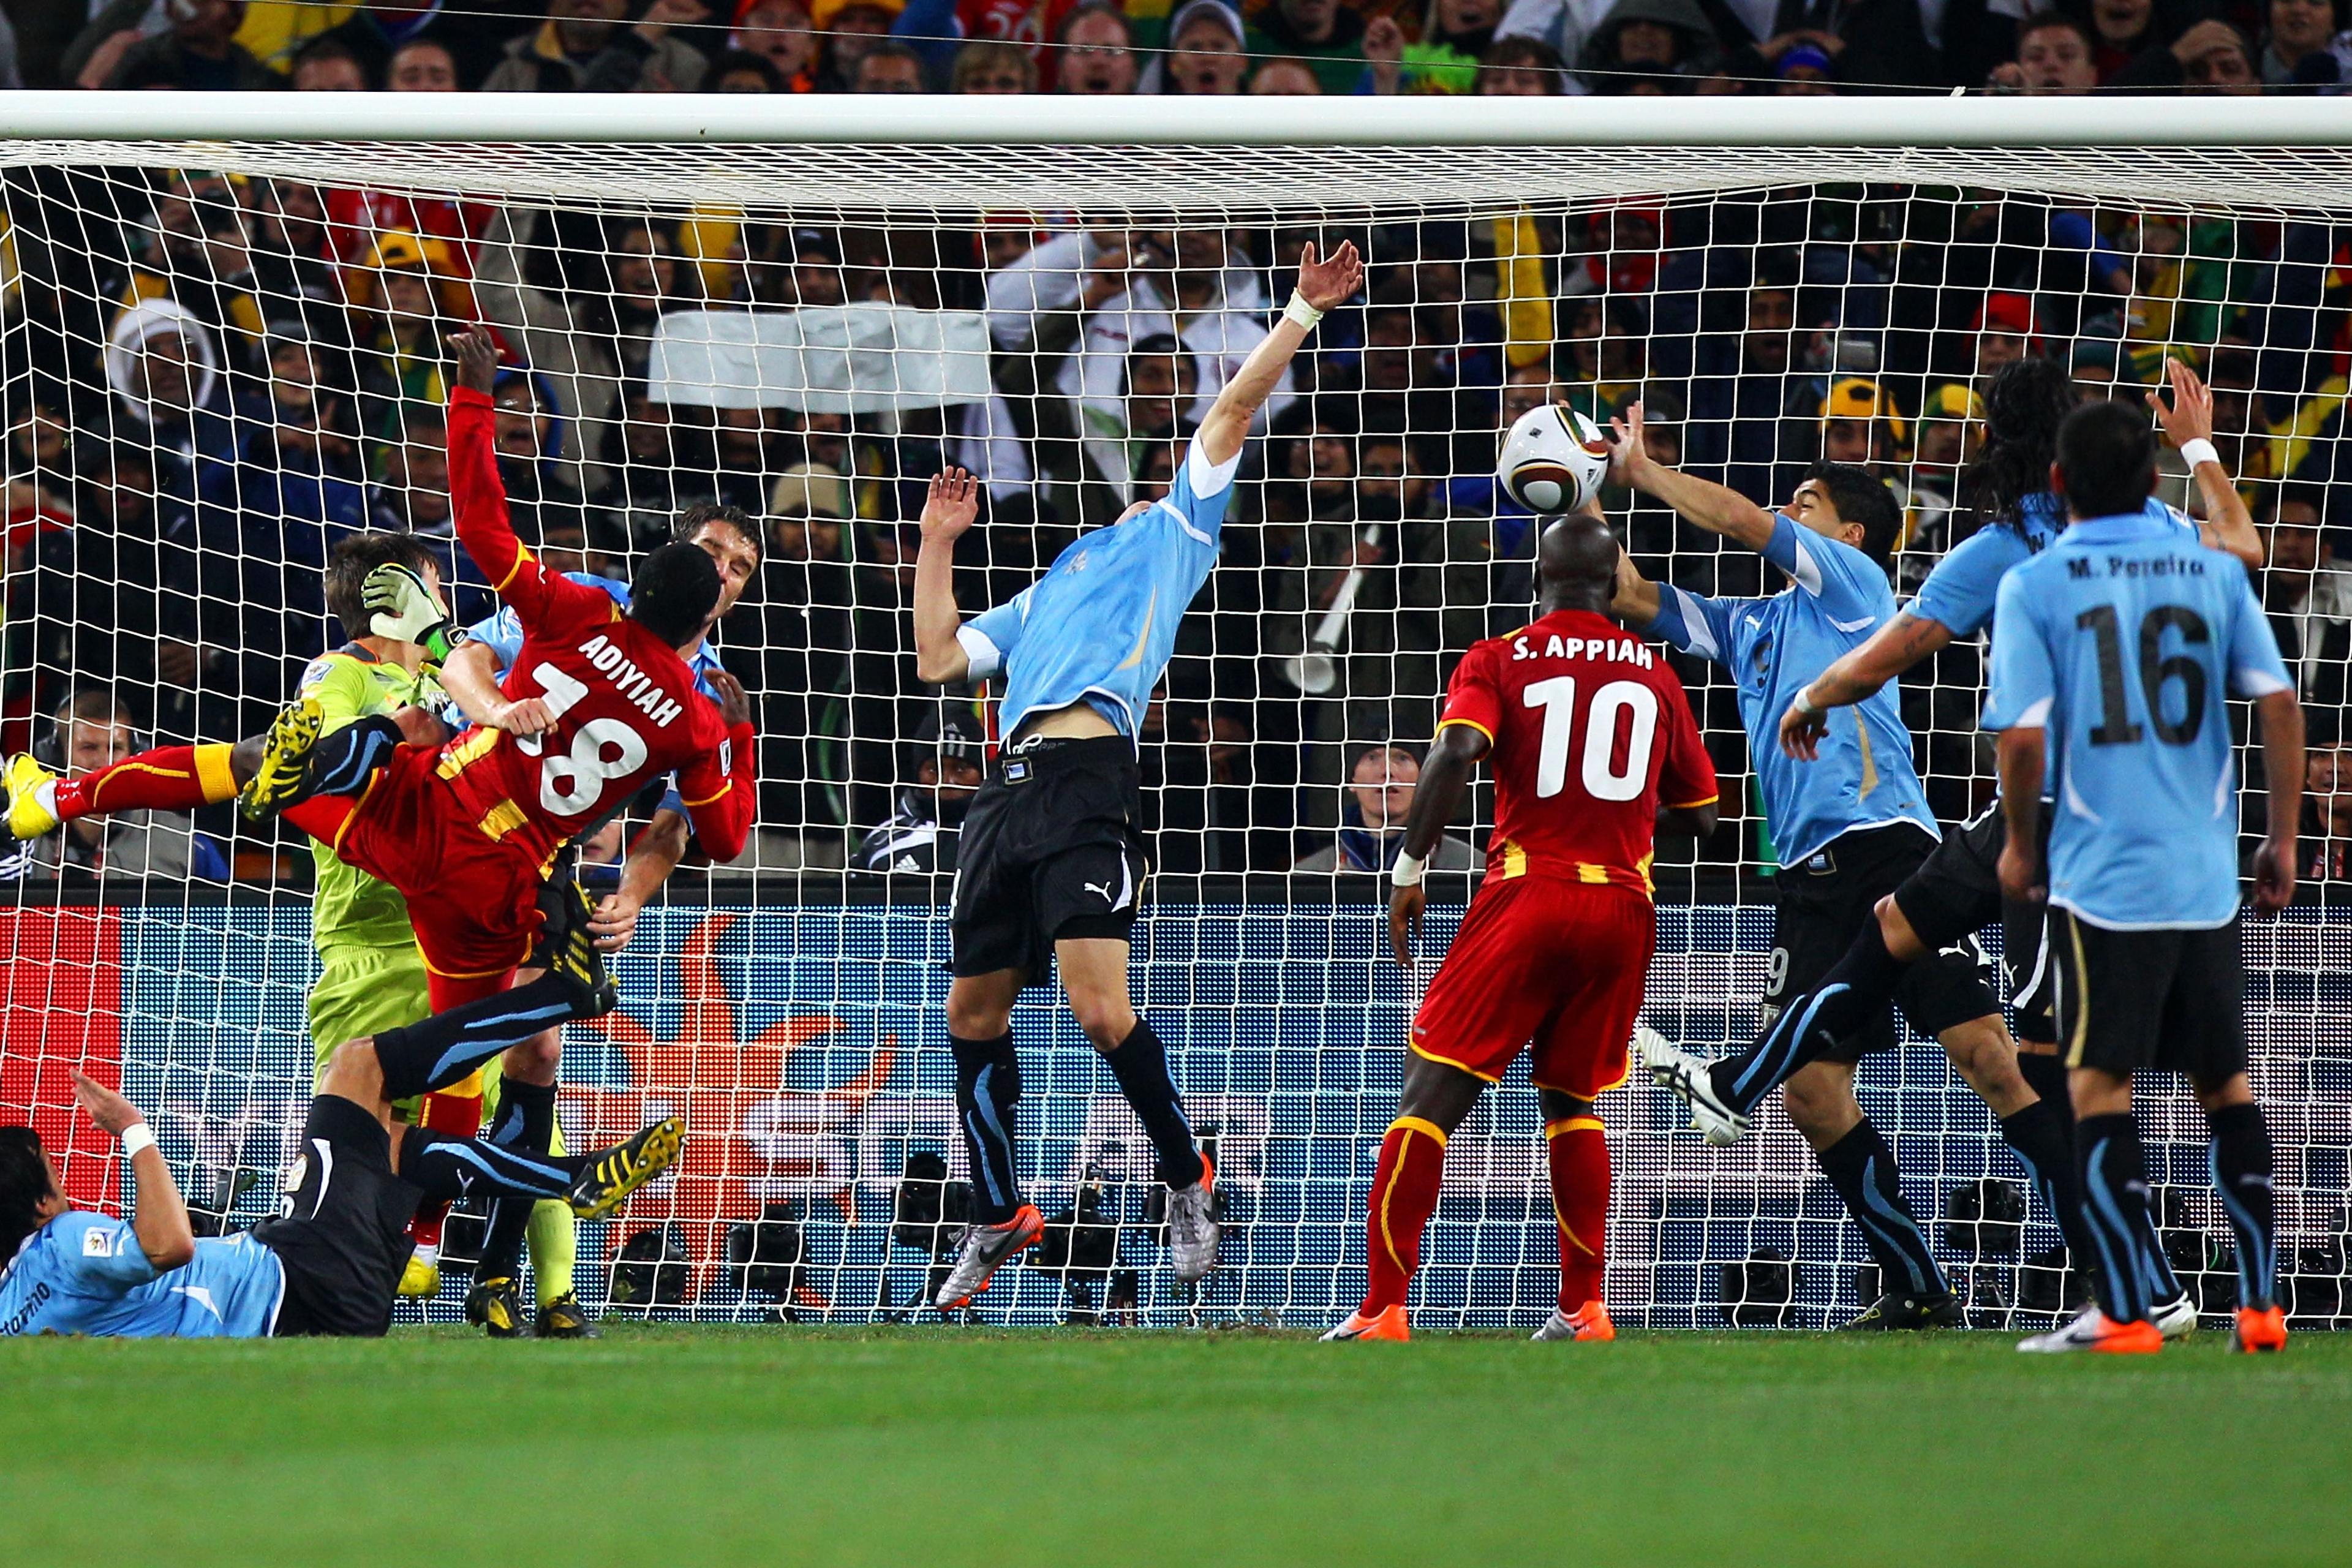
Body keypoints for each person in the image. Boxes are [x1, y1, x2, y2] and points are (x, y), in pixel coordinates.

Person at [1647, 355, 2260, 1335]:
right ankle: (2117, 1286)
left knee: (2030, 1053)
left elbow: (1909, 652)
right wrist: (2198, 444)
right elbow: (2247, 551)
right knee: (1980, 1018)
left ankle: (2142, 1291)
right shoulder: (2161, 531)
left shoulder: (1998, 548)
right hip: (2174, 824)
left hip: (2040, 820)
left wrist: (1815, 697)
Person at [910, 240, 1362, 1310]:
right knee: (974, 1015)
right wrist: (938, 541)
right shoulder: (1053, 577)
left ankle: (1185, 1171)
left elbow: (1232, 414)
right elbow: (935, 658)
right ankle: (999, 1210)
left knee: (1097, 1010)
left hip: (1090, 780)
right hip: (1001, 795)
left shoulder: (1175, 530)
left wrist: (1296, 310)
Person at [1615, 415, 2095, 1330]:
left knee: (1991, 1060)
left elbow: (1739, 524)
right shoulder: (1750, 623)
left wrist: (1647, 471)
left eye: (1805, 503)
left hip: (1887, 848)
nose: (1780, 509)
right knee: (1814, 1094)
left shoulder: (1853, 586)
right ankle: (1917, 1285)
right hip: (1803, 877)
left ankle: (2119, 1255)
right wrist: (1575, 487)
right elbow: (1633, 597)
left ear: (1849, 534)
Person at [1322, 514, 1719, 1343]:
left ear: (1537, 583)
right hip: (1621, 906)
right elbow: (1706, 812)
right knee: (1574, 1103)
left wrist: (1408, 867)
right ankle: (1585, 1309)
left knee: (1428, 1096)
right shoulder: (1654, 673)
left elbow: (1455, 752)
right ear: (1615, 588)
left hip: (1527, 891)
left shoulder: (1500, 657)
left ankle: (1383, 1309)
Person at [1983, 398, 2299, 1356]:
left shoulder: (2037, 584)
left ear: (2056, 483)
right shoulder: (2210, 572)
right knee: (2227, 1090)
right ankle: (2260, 1307)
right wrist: (2280, 840)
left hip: (2102, 876)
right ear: (2154, 481)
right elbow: (2280, 704)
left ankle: (2125, 1312)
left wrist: (2022, 848)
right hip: (2206, 874)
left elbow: (2026, 734)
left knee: (2098, 1089)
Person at [428, 499, 761, 1331]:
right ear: (676, 553)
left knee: (538, 1055)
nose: (724, 572)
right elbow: (463, 659)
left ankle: (495, 1274)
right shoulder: (583, 598)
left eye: (742, 567)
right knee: (427, 1059)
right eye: (713, 552)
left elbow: (687, 822)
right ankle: (405, 1239)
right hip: (453, 822)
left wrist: (636, 891)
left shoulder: (707, 689)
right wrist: (496, 712)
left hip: (545, 866)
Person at [0, 951, 685, 1340]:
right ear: (36, 1202)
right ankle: (566, 998)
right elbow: (169, 1245)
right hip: (297, 1273)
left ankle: (572, 1178)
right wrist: (134, 1130)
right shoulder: (59, 1242)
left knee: (385, 1142)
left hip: (322, 1300)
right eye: (53, 1176)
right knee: (361, 1067)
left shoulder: (9, 1313)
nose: (66, 1187)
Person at [2, 691, 227, 886]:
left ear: (134, 755)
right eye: (89, 748)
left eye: (116, 748)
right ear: (56, 757)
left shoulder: (183, 842)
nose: (104, 763)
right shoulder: (19, 838)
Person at [1292, 744, 1479, 875]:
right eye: (1372, 758)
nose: (1387, 771)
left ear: (1424, 779)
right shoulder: (1310, 874)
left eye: (1402, 758)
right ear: (1351, 780)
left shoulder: (1473, 867)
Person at [852, 709, 987, 876]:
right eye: (934, 769)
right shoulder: (882, 843)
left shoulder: (1002, 833)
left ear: (983, 773)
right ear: (917, 773)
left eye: (961, 769)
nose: (948, 780)